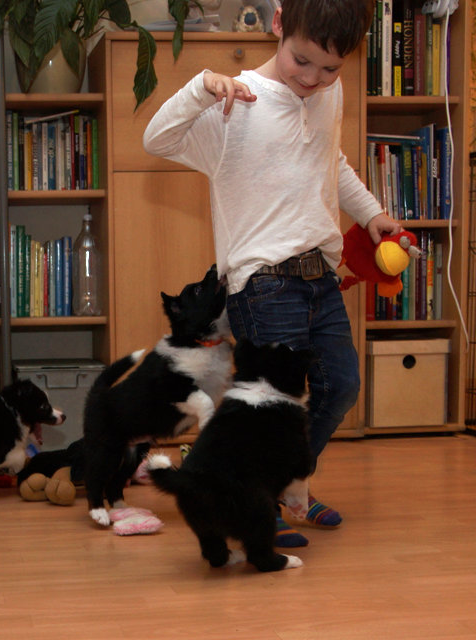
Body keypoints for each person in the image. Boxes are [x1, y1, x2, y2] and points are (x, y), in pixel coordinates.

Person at [143, 0, 401, 548]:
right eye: (302, 61)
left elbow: (332, 162)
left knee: (340, 386)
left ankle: (284, 486)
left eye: (329, 68)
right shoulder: (235, 103)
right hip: (263, 281)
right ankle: (254, 498)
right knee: (266, 407)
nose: (312, 79)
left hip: (320, 275)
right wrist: (201, 87)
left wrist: (371, 214)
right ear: (279, 23)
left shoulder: (329, 93)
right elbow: (157, 139)